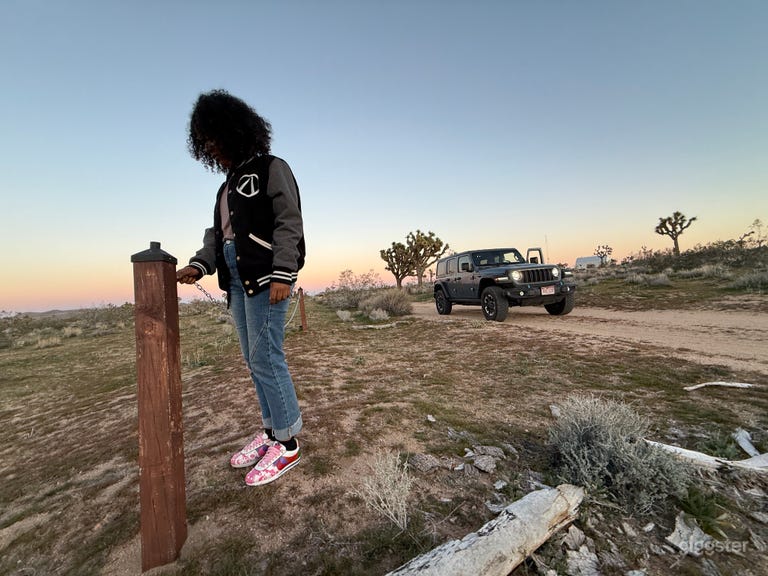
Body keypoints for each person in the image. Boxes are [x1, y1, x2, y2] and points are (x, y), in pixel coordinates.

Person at [177, 89, 305, 486]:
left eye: (214, 138)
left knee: (267, 357)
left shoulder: (271, 167)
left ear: (235, 130)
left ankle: (288, 445)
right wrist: (200, 264)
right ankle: (271, 432)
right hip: (235, 279)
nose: (211, 148)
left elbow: (289, 221)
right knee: (253, 360)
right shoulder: (225, 188)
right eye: (205, 143)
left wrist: (283, 272)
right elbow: (217, 236)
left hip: (266, 275)